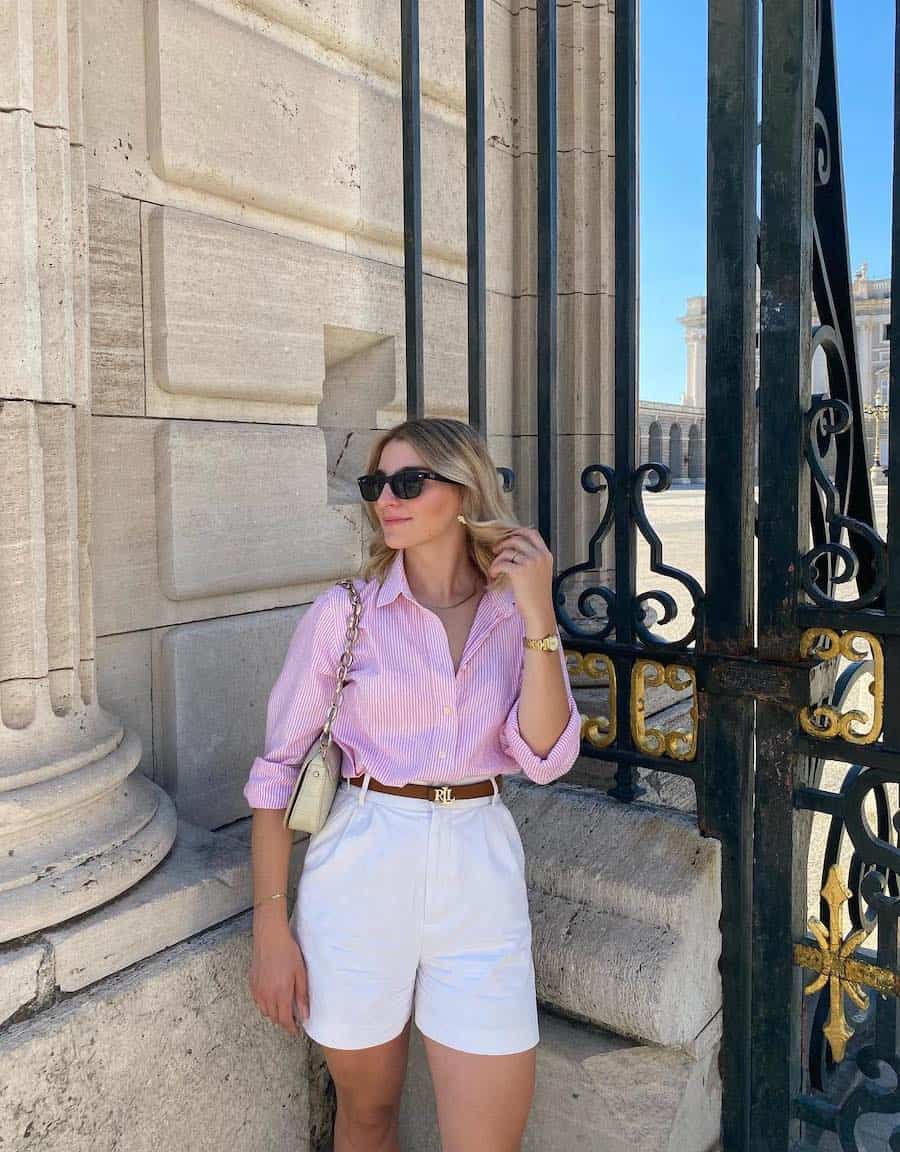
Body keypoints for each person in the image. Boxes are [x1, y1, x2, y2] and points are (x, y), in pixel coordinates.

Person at [243, 417, 582, 1152]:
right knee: (367, 1117)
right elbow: (275, 774)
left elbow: (549, 755)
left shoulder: (509, 614)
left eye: (408, 482)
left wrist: (538, 612)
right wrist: (271, 928)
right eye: (376, 485)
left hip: (479, 865)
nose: (386, 500)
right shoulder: (347, 613)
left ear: (464, 491)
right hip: (363, 862)